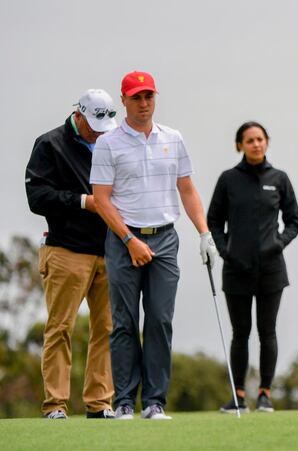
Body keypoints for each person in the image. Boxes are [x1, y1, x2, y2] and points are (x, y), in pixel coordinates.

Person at [90, 71, 219, 420]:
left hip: (164, 238)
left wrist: (204, 233)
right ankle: (125, 402)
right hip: (123, 239)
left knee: (160, 320)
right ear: (124, 100)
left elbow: (187, 189)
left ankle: (154, 402)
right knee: (124, 322)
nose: (144, 104)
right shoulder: (108, 143)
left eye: (149, 96)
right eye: (136, 98)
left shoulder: (173, 138)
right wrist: (129, 240)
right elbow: (101, 200)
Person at [25, 89, 119, 420]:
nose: (98, 132)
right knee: (60, 328)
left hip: (109, 251)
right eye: (93, 125)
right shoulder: (50, 144)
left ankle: (100, 402)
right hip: (66, 251)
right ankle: (55, 405)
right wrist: (83, 201)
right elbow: (37, 197)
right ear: (77, 115)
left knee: (107, 329)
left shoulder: (111, 142)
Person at [207, 121, 298, 413]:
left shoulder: (279, 179)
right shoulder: (228, 179)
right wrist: (225, 252)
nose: (256, 144)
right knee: (240, 333)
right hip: (236, 268)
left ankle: (264, 394)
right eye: (249, 140)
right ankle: (238, 396)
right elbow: (214, 221)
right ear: (240, 145)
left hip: (271, 269)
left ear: (267, 142)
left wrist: (277, 244)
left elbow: (294, 221)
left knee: (267, 331)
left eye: (260, 139)